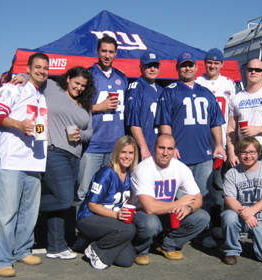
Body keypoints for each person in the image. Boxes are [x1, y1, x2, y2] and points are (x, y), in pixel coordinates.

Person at [11, 66, 96, 259]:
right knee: (65, 199)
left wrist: (80, 135)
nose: (79, 88)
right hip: (53, 150)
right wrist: (22, 76)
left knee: (59, 201)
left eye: (83, 85)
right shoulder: (51, 88)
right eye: (76, 83)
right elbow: (36, 77)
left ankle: (56, 247)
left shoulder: (85, 103)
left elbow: (89, 130)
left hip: (74, 155)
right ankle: (21, 207)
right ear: (67, 79)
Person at [155, 52, 226, 248]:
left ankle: (201, 231)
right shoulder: (169, 91)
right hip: (180, 156)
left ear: (196, 67)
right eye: (183, 65)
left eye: (190, 65)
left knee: (203, 196)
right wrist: (172, 146)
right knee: (179, 198)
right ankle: (176, 232)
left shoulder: (206, 92)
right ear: (178, 68)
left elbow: (216, 122)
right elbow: (164, 122)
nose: (187, 68)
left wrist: (219, 144)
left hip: (203, 154)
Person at [0, 53, 49, 277]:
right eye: (37, 67)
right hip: (11, 159)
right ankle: (2, 259)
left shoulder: (40, 94)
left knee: (29, 211)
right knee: (7, 213)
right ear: (27, 68)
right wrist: (18, 124)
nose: (42, 71)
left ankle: (22, 249)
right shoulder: (13, 87)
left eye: (45, 68)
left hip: (34, 160)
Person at [74, 36, 128, 251]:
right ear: (98, 51)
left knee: (110, 195)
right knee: (85, 192)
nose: (107, 55)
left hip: (115, 147)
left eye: (111, 51)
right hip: (93, 145)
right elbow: (75, 105)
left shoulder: (122, 78)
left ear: (116, 53)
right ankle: (82, 233)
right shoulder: (88, 75)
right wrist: (99, 107)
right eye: (104, 51)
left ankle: (105, 232)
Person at [128, 134, 210, 265]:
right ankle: (140, 249)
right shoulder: (144, 169)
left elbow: (198, 198)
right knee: (151, 223)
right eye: (161, 148)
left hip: (165, 212)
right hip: (140, 213)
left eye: (170, 149)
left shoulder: (180, 168)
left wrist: (188, 208)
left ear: (174, 150)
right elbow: (150, 208)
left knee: (202, 217)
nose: (165, 153)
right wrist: (178, 203)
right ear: (154, 148)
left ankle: (165, 243)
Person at [77, 136, 138, 270]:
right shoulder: (106, 173)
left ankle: (94, 244)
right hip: (89, 217)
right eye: (123, 152)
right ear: (116, 152)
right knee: (128, 229)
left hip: (109, 221)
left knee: (127, 260)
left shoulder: (129, 173)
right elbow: (92, 205)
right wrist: (117, 215)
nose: (127, 156)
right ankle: (96, 248)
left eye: (131, 153)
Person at [195, 48, 238, 239]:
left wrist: (231, 145)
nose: (212, 66)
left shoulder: (229, 84)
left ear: (221, 64)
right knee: (202, 185)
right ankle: (202, 224)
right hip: (201, 141)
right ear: (205, 63)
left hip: (221, 142)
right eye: (209, 62)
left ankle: (217, 221)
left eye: (216, 63)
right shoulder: (197, 82)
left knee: (219, 184)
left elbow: (232, 117)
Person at [221, 136, 262, 265]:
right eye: (244, 152)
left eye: (252, 152)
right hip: (240, 216)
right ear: (238, 154)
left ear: (258, 153)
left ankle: (258, 240)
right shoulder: (232, 173)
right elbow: (229, 198)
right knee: (228, 216)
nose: (248, 156)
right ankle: (231, 251)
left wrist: (252, 211)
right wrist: (246, 215)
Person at [227, 58, 262, 168]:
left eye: (258, 70)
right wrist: (232, 153)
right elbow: (231, 129)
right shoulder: (236, 97)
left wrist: (257, 130)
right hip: (242, 151)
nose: (253, 72)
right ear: (246, 72)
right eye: (250, 69)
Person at [125, 50, 163, 160]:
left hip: (159, 146)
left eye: (155, 65)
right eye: (148, 65)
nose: (152, 69)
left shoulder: (161, 90)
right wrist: (143, 147)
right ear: (141, 67)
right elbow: (133, 122)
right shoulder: (136, 87)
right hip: (145, 147)